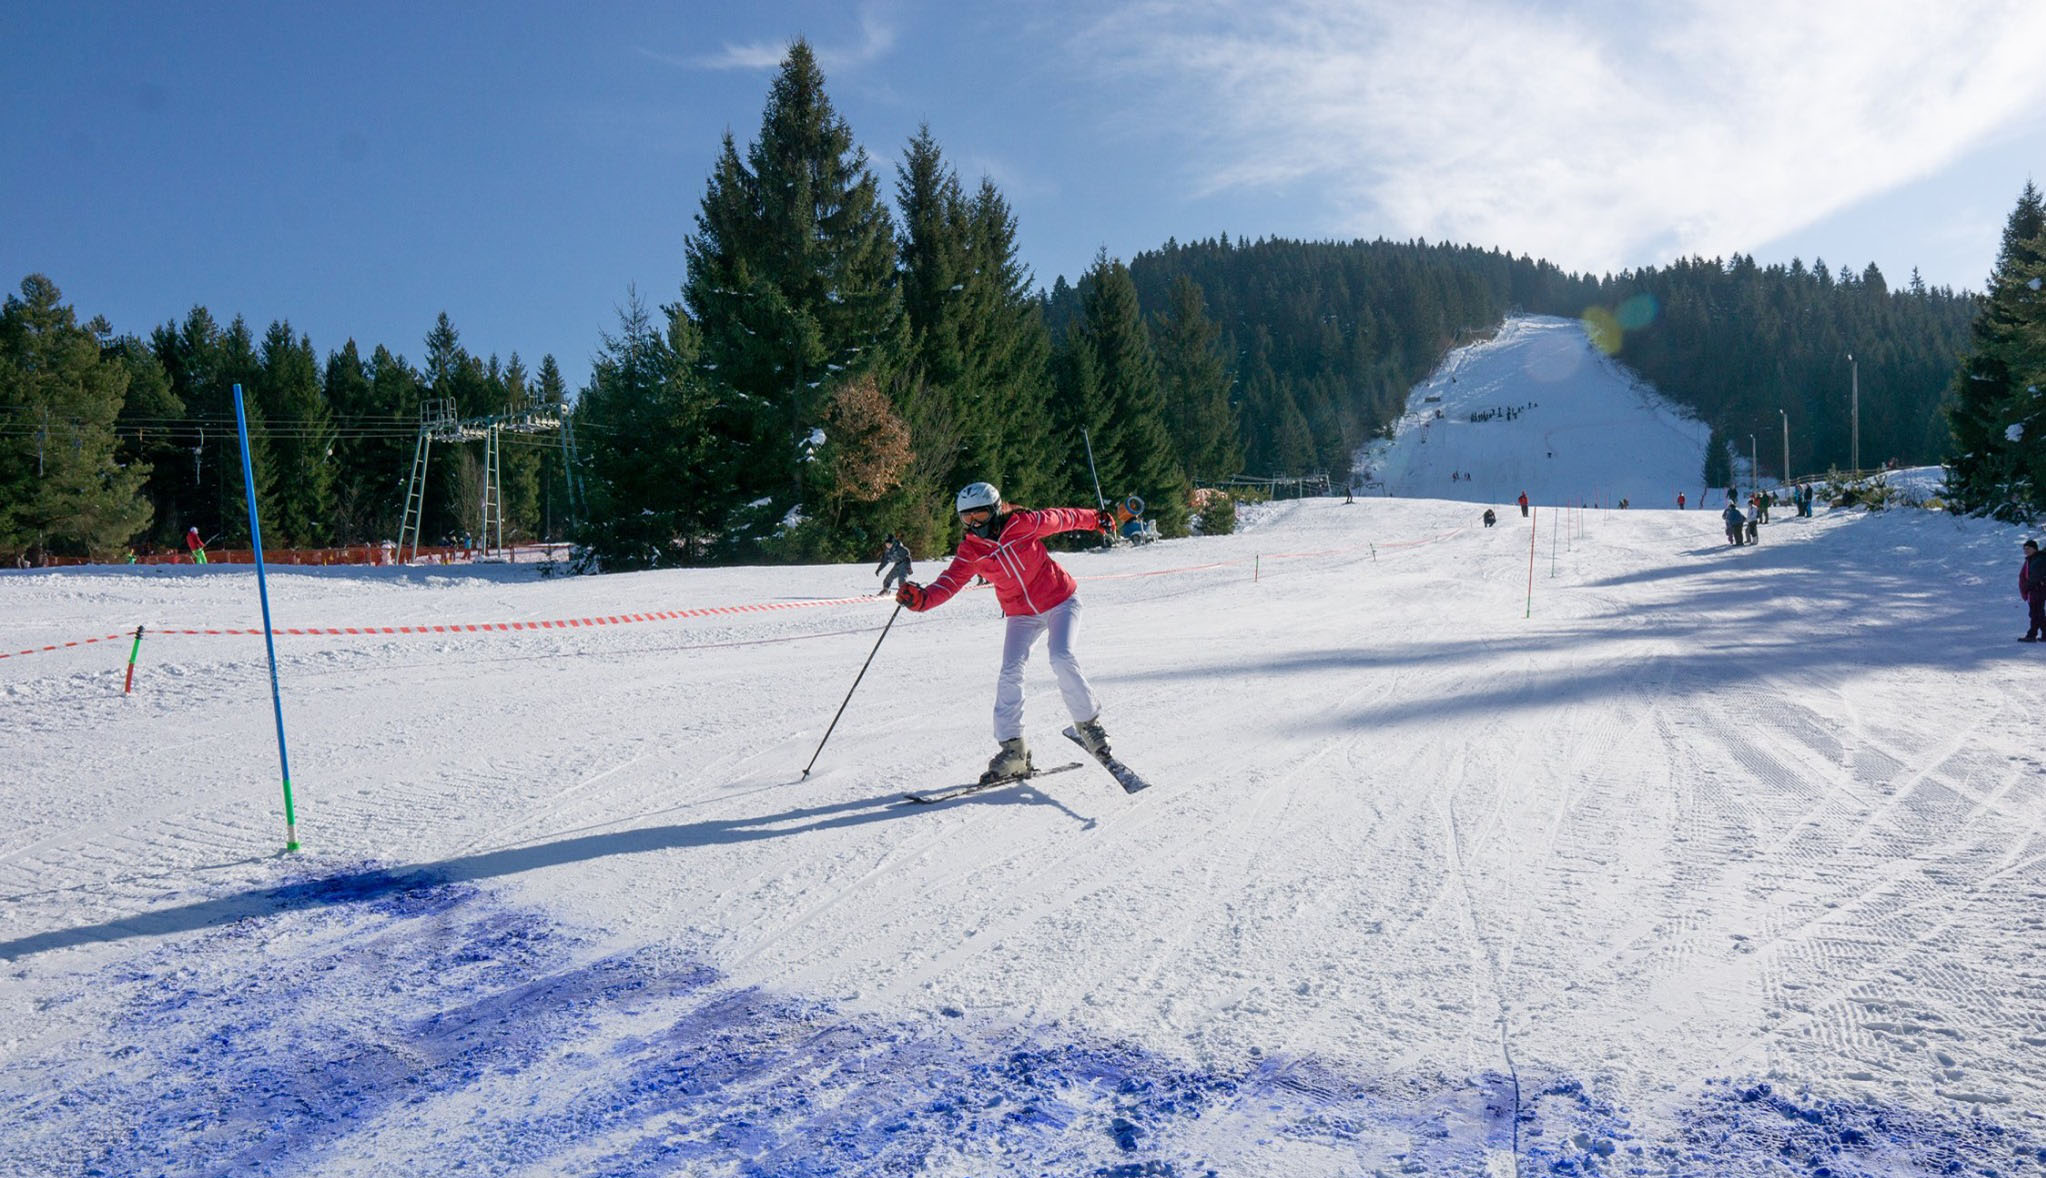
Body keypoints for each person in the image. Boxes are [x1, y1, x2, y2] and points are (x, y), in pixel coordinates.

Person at [896, 482, 1118, 783]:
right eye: (967, 519)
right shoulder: (971, 551)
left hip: (1060, 600)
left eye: (981, 516)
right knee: (1010, 672)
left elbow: (1063, 517)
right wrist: (921, 600)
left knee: (1061, 656)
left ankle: (1088, 725)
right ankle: (1014, 750)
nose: (975, 524)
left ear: (997, 510)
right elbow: (949, 582)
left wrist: (1095, 518)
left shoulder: (1023, 524)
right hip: (1021, 614)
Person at [2020, 540, 2046, 642]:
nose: (2026, 551)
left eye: (2028, 548)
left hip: (2037, 590)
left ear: (2035, 549)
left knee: (2036, 613)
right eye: (2024, 549)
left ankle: (2032, 635)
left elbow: (2035, 577)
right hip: (2036, 590)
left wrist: (2026, 587)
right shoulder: (2033, 559)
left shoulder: (2038, 560)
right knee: (2037, 613)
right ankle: (2035, 634)